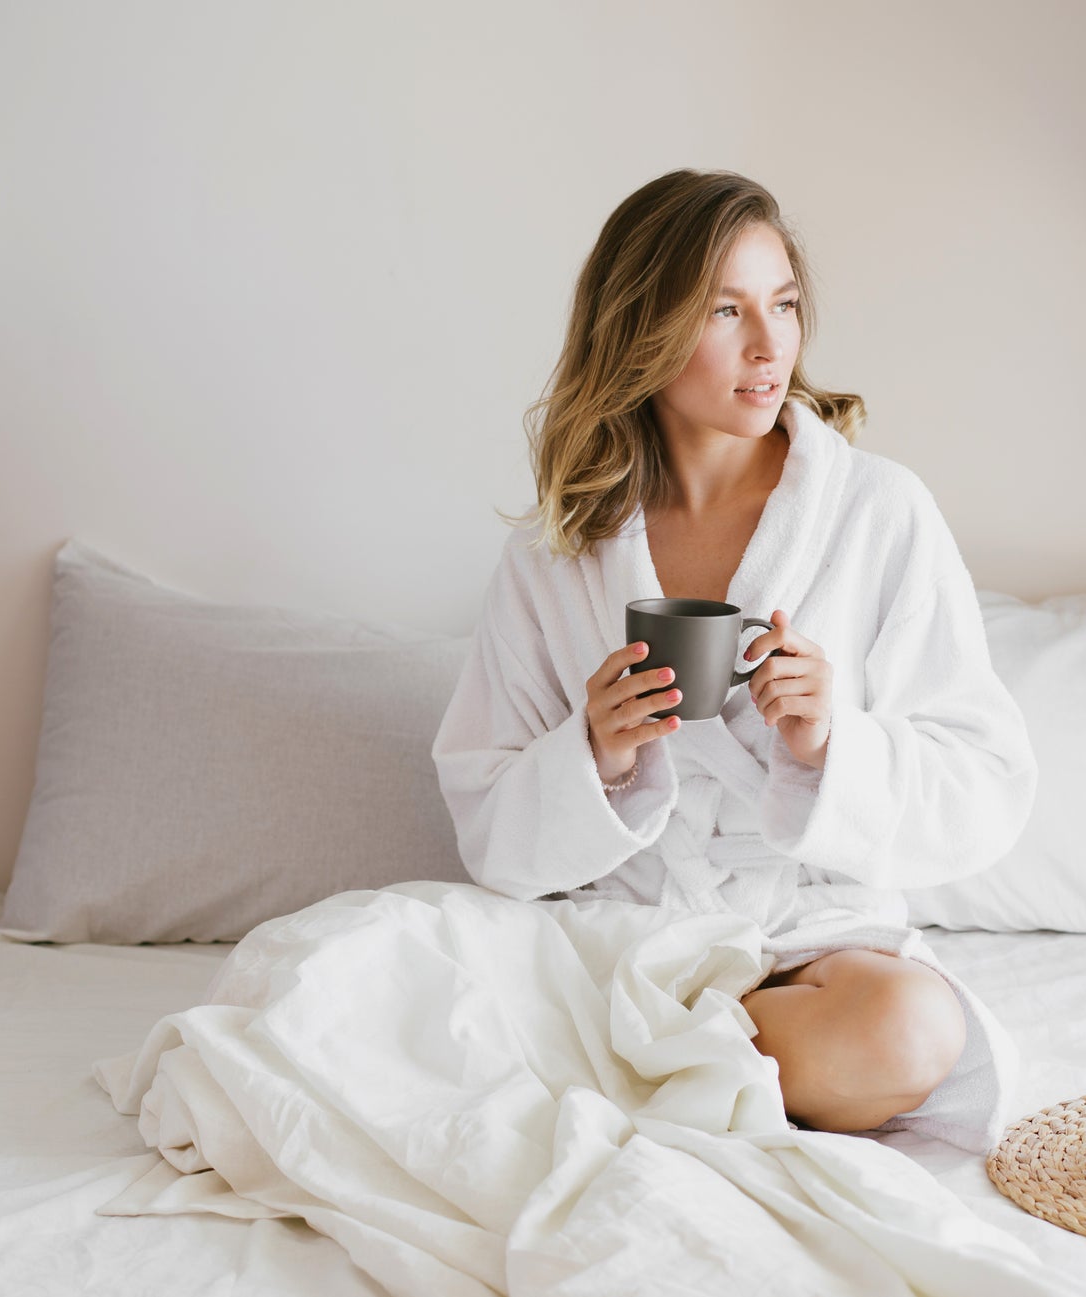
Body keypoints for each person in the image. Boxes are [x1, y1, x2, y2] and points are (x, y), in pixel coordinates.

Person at [432, 169, 1037, 1151]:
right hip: (617, 941)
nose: (769, 347)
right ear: (643, 327)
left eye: (784, 305)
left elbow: (987, 785)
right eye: (725, 310)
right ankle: (676, 1069)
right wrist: (597, 757)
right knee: (339, 975)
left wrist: (830, 744)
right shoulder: (555, 551)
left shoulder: (878, 513)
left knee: (910, 1028)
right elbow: (488, 833)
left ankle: (618, 1071)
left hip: (811, 947)